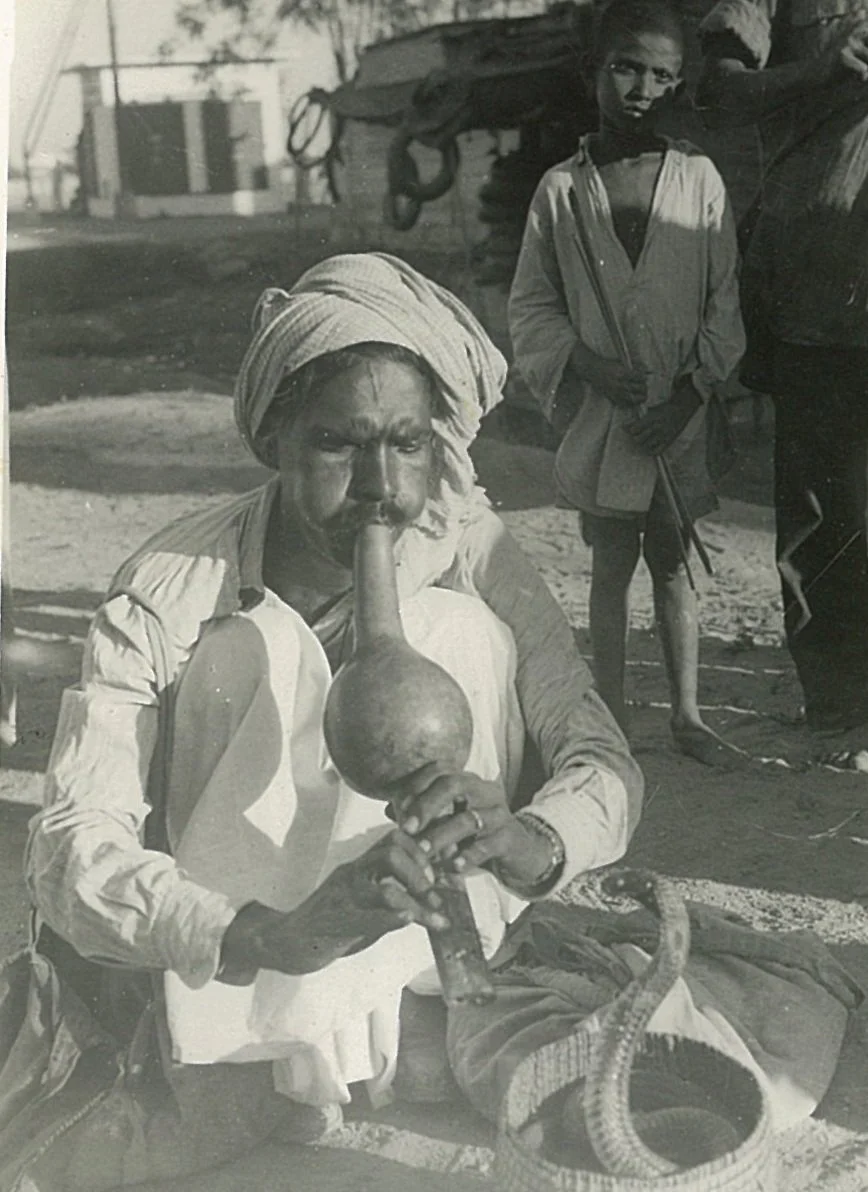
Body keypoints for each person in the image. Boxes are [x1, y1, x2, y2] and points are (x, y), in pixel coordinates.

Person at [11, 252, 642, 1189]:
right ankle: (287, 1046)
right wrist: (267, 934)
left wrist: (527, 840)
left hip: (426, 973)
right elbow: (68, 842)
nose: (382, 485)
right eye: (339, 445)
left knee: (453, 628)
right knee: (250, 645)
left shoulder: (474, 552)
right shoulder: (173, 582)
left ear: (441, 448)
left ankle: (410, 1009)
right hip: (241, 968)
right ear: (276, 441)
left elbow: (602, 761)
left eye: (409, 443)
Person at [508, 0, 747, 768]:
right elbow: (532, 303)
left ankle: (687, 714)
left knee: (675, 562)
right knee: (610, 563)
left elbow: (724, 303)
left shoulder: (700, 182)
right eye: (627, 69)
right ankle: (610, 717)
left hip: (678, 417)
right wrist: (585, 363)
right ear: (594, 74)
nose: (643, 89)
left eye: (663, 76)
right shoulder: (561, 193)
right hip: (607, 420)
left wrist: (685, 398)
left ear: (682, 84)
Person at [697, 2, 868, 766]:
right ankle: (847, 711)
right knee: (820, 503)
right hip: (819, 259)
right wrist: (819, 68)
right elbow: (714, 91)